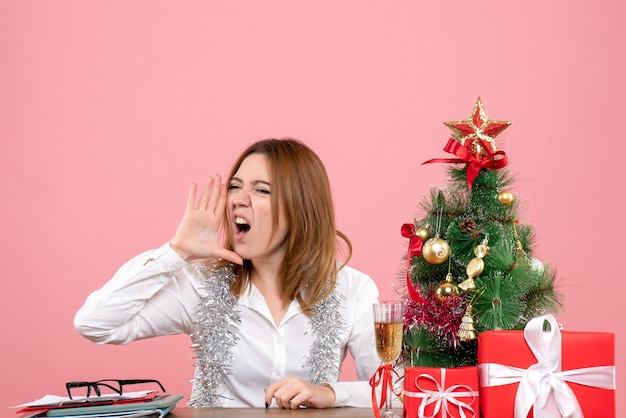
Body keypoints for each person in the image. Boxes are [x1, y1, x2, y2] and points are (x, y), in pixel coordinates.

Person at [74, 138, 381, 409]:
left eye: (261, 190)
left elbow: (393, 392)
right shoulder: (200, 285)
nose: (237, 199)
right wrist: (177, 251)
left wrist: (329, 393)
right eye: (235, 186)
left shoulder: (352, 289)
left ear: (301, 208)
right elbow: (95, 323)